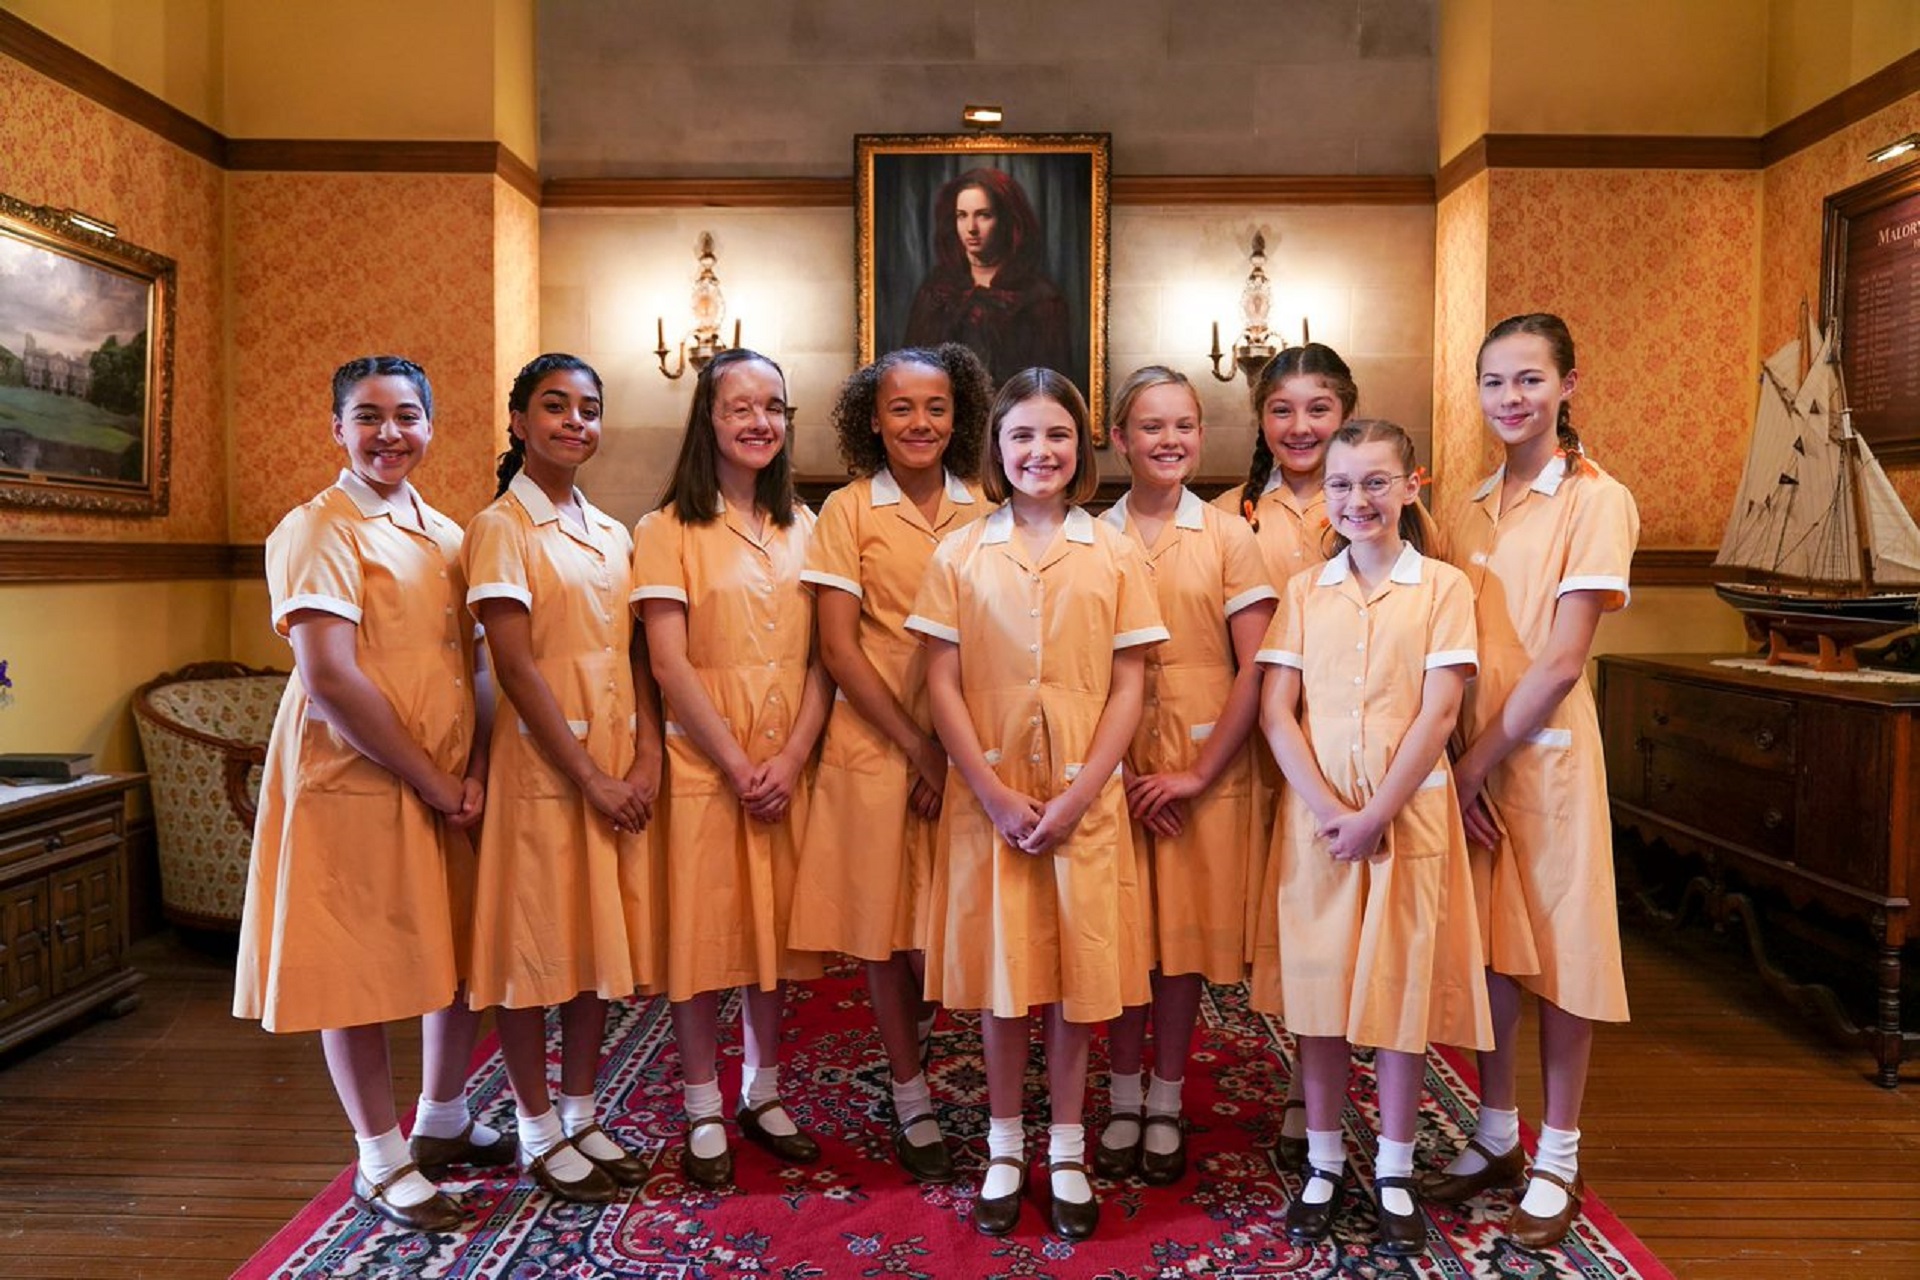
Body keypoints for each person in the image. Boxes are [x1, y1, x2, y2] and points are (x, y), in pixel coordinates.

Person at [235, 355, 509, 1232]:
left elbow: (472, 661)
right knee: (354, 966)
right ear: (337, 429)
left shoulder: (448, 532)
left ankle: (441, 1120)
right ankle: (379, 1156)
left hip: (446, 780)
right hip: (353, 774)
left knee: (455, 948)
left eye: (406, 416)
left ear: (432, 425)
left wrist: (476, 772)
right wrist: (433, 777)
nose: (389, 433)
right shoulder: (319, 528)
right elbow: (331, 680)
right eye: (368, 416)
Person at [906, 367, 1166, 1240]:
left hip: (1083, 804)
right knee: (1007, 979)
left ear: (1080, 446)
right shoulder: (958, 553)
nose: (1039, 451)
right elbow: (939, 683)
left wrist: (1085, 790)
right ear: (997, 448)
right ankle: (1005, 1141)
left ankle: (1065, 1146)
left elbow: (1130, 685)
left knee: (1074, 977)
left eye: (1056, 434)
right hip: (993, 801)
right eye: (1021, 435)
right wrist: (989, 791)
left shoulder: (1116, 551)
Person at [1422, 313, 1640, 1250]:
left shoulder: (1595, 500)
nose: (1511, 399)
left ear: (1567, 385)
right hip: (1468, 762)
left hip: (1541, 762)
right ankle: (1496, 1132)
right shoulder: (1466, 505)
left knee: (1561, 958)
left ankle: (1559, 1153)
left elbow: (1558, 663)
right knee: (1490, 955)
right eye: (1495, 382)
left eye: (1529, 381)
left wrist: (1468, 768)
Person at [1256, 419, 1494, 1256]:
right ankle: (1324, 1161)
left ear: (1411, 485)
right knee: (1320, 997)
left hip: (1406, 817)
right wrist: (1326, 809)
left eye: (1376, 482)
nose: (1358, 500)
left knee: (1398, 996)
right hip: (1318, 823)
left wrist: (1376, 813)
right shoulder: (1303, 591)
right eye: (1343, 485)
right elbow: (1276, 711)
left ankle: (1394, 1166)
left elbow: (1439, 711)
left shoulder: (1444, 589)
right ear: (1326, 495)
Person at [788, 343, 993, 1185]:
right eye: (902, 407)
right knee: (885, 930)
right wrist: (916, 748)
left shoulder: (985, 508)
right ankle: (911, 1098)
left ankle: (982, 1092)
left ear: (959, 416)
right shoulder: (847, 511)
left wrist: (953, 750)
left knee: (950, 924)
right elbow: (837, 647)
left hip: (964, 745)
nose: (920, 423)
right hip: (876, 749)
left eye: (936, 407)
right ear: (873, 418)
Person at [463, 353, 660, 1205]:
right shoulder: (502, 526)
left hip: (614, 763)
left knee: (591, 948)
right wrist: (588, 776)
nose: (574, 421)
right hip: (547, 770)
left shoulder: (611, 532)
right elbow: (513, 665)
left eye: (588, 408)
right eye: (555, 406)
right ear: (518, 422)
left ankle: (581, 1112)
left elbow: (633, 658)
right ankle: (537, 1126)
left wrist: (646, 756)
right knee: (532, 951)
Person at [633, 348, 831, 1190]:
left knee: (773, 936)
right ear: (707, 420)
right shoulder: (666, 527)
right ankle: (702, 1105)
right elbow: (669, 664)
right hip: (702, 763)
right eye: (740, 407)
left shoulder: (806, 524)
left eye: (774, 408)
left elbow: (830, 657)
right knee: (703, 940)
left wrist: (787, 758)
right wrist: (739, 762)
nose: (760, 423)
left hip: (788, 761)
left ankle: (764, 1088)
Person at [1092, 367, 1276, 1186]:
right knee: (1125, 942)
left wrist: (1198, 774)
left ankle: (1165, 1098)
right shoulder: (1091, 535)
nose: (1170, 441)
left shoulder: (1230, 536)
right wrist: (1118, 771)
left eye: (1186, 426)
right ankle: (1121, 1094)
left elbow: (1256, 666)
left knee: (1182, 950)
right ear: (1121, 438)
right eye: (1152, 426)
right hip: (1116, 775)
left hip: (1206, 771)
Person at [1212, 342, 1360, 1167]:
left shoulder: (1381, 499)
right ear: (1259, 419)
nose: (1299, 427)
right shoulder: (1231, 514)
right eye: (1281, 410)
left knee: (1331, 927)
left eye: (1318, 409)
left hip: (1346, 750)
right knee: (1275, 926)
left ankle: (1315, 1098)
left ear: (1346, 414)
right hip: (1256, 747)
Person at [902, 167, 1072, 386]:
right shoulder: (935, 293)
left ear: (1007, 221)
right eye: (962, 216)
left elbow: (1052, 388)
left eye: (983, 215)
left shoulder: (1042, 299)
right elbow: (909, 375)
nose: (971, 228)